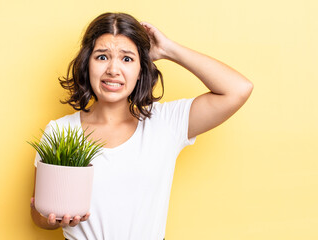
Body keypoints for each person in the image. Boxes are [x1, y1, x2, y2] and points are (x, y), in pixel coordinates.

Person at [30, 12, 253, 240]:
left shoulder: (165, 123)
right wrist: (53, 219)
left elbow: (238, 89)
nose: (113, 70)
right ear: (87, 64)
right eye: (102, 57)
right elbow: (38, 216)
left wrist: (168, 50)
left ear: (140, 70)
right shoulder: (59, 131)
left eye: (127, 59)